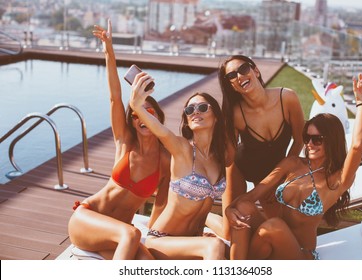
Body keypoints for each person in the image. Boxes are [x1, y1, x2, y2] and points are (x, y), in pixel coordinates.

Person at [225, 73, 362, 260]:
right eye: (307, 138)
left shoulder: (336, 180)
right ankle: (238, 269)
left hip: (300, 254)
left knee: (273, 226)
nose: (310, 144)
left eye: (317, 139)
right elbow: (254, 195)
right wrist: (230, 209)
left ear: (332, 142)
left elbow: (357, 146)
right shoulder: (293, 163)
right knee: (244, 207)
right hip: (271, 238)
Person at [68, 19, 171, 260]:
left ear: (158, 116)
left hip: (118, 236)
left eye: (148, 112)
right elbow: (115, 97)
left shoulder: (166, 161)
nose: (141, 118)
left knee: (149, 261)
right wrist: (109, 50)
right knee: (132, 234)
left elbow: (161, 206)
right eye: (136, 114)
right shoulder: (124, 141)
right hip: (88, 220)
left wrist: (157, 236)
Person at [130, 69, 229, 259]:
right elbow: (161, 132)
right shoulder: (183, 149)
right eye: (190, 110)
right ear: (186, 120)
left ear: (216, 115)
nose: (195, 112)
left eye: (202, 107)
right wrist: (136, 105)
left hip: (191, 241)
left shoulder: (219, 157)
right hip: (162, 241)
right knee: (214, 245)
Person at [208, 55, 305, 239]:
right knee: (230, 233)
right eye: (231, 76)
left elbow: (299, 140)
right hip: (240, 169)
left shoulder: (287, 98)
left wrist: (280, 179)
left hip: (273, 171)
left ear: (256, 71)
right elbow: (228, 158)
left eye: (243, 69)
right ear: (231, 85)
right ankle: (207, 217)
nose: (239, 76)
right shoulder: (235, 114)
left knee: (283, 229)